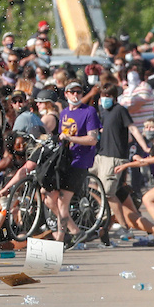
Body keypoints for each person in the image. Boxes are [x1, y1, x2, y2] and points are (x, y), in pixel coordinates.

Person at [94, 83, 150, 240]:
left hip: (114, 157)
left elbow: (132, 129)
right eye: (103, 96)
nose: (105, 99)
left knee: (109, 192)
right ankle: (105, 215)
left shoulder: (120, 110)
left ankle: (124, 228)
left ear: (114, 98)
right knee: (85, 179)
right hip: (101, 156)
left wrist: (144, 147)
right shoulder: (104, 112)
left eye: (108, 97)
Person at [51, 82, 101, 246]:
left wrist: (70, 138)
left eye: (79, 92)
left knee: (62, 202)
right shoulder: (64, 113)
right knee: (49, 197)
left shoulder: (89, 111)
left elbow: (92, 139)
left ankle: (60, 239)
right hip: (64, 160)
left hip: (80, 162)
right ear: (66, 94)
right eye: (72, 92)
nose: (75, 95)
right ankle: (76, 232)